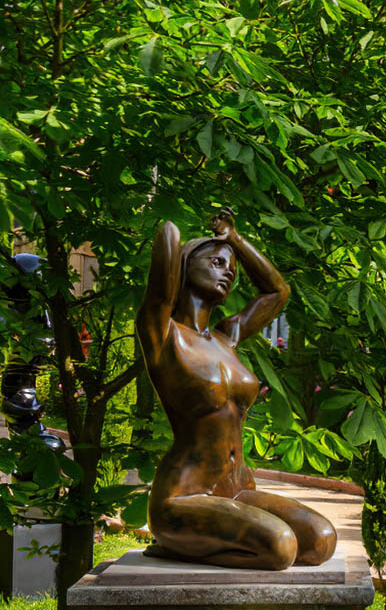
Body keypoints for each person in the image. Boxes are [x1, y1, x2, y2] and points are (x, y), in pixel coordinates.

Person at [136, 210, 336, 570]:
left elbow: (278, 291)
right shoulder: (164, 334)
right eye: (216, 261)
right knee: (280, 547)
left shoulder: (227, 337)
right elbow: (169, 233)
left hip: (239, 490)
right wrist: (189, 242)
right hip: (183, 497)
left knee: (321, 540)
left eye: (231, 267)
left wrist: (235, 239)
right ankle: (174, 543)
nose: (228, 270)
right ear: (183, 268)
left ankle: (196, 547)